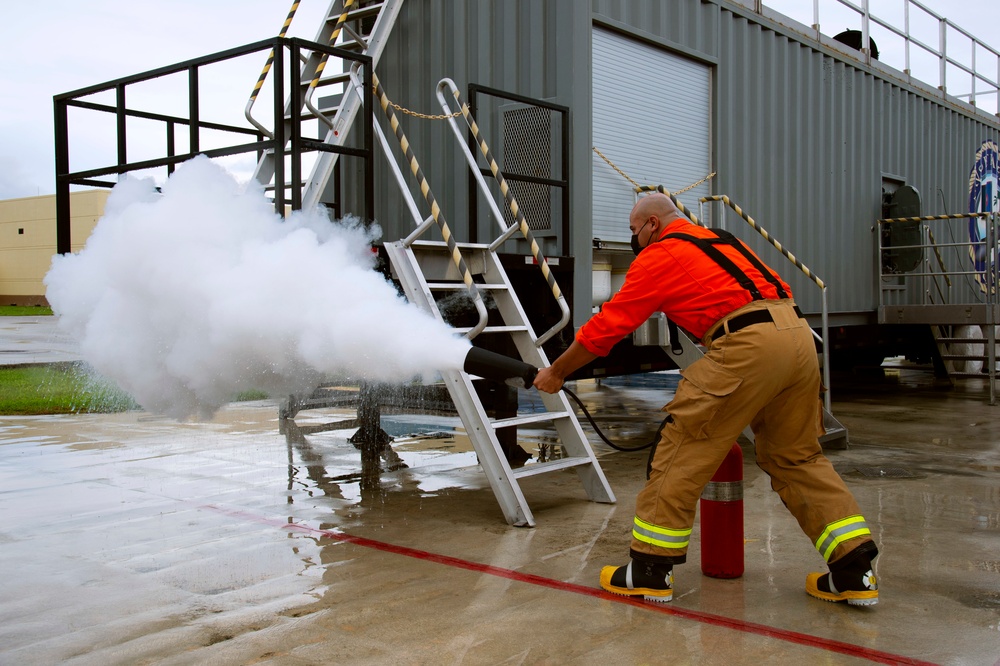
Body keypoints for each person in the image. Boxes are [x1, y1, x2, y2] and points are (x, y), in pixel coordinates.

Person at [533, 192, 879, 606]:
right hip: (797, 337)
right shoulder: (720, 239)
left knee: (683, 448)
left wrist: (557, 372)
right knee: (797, 456)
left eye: (633, 231)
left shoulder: (661, 255)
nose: (633, 240)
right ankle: (854, 571)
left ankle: (648, 570)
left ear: (653, 225)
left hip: (746, 344)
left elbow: (607, 327)